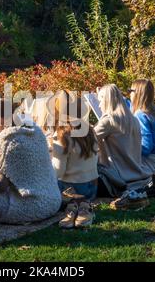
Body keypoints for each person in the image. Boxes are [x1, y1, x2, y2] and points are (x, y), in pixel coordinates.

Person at [0, 98, 61, 224]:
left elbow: (0, 186)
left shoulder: (8, 139)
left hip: (31, 206)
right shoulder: (35, 130)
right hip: (52, 200)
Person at [47, 91, 98, 228]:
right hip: (92, 188)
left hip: (73, 188)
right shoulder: (90, 130)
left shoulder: (63, 135)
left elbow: (58, 171)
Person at [94, 84, 151, 208]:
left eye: (100, 101)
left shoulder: (109, 120)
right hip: (138, 176)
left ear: (106, 100)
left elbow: (88, 140)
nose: (98, 105)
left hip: (119, 179)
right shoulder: (133, 119)